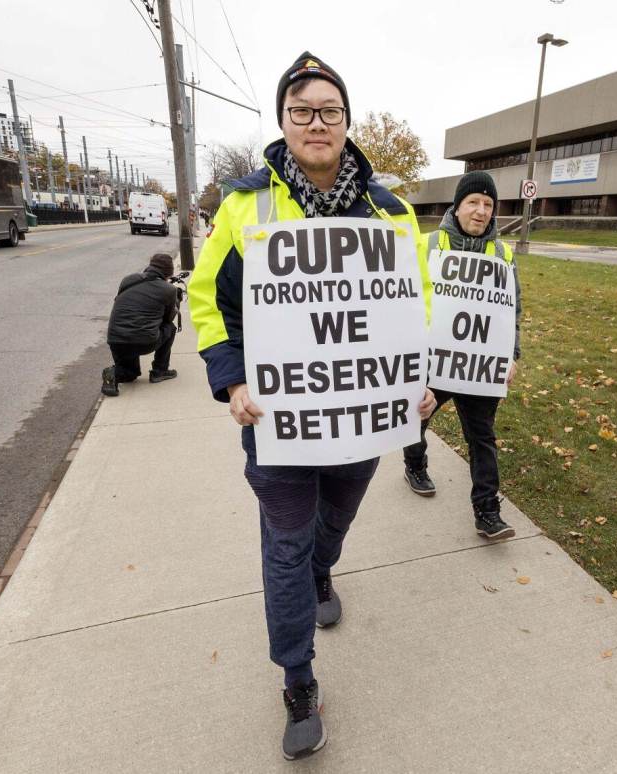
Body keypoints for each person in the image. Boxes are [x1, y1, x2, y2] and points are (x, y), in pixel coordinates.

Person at [188, 51, 434, 761]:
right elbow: (209, 302)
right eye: (302, 112)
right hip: (278, 423)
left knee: (338, 520)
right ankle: (298, 679)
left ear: (347, 122)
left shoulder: (392, 212)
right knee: (286, 545)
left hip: (361, 419)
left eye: (329, 110)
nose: (316, 122)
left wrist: (419, 375)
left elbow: (412, 305)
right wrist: (232, 379)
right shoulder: (244, 205)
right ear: (284, 123)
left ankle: (327, 568)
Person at [403, 171, 521, 540]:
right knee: (416, 420)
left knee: (482, 437)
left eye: (488, 204)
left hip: (479, 365)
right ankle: (414, 463)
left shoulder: (502, 253)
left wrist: (510, 355)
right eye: (473, 202)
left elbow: (511, 310)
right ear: (457, 206)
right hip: (433, 361)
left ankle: (487, 511)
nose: (481, 211)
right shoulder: (428, 244)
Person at [101, 252, 179, 396]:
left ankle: (113, 373)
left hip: (116, 340)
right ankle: (159, 371)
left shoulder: (128, 279)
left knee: (130, 375)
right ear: (169, 272)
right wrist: (176, 303)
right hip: (144, 342)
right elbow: (168, 319)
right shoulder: (169, 290)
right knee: (170, 329)